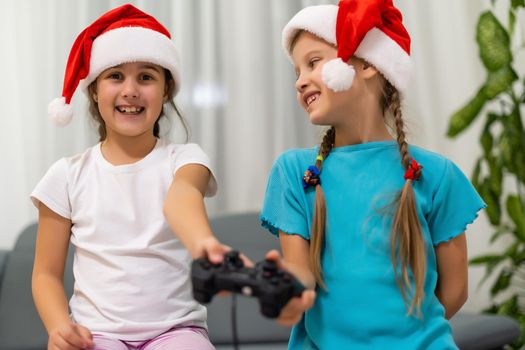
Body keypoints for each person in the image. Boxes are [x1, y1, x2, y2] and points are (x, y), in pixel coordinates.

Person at [260, 1, 486, 349]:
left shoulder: (437, 175)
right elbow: (301, 276)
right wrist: (286, 286)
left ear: (365, 64)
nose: (300, 81)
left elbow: (454, 291)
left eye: (314, 62)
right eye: (297, 72)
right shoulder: (294, 173)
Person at [31, 4, 231, 350]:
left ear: (166, 90)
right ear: (94, 89)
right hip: (97, 334)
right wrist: (60, 327)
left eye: (146, 76)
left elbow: (182, 198)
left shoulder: (185, 159)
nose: (130, 90)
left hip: (177, 331)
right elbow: (46, 274)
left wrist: (204, 246)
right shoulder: (66, 175)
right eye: (115, 76)